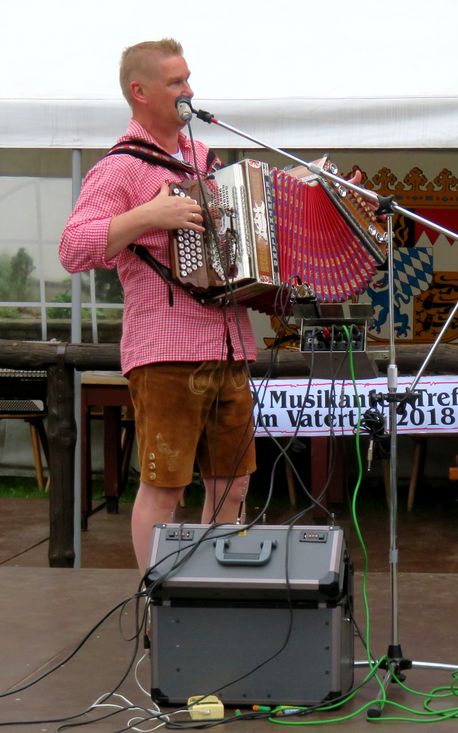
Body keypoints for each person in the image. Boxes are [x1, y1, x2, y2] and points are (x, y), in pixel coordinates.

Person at [59, 39, 257, 575]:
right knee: (165, 488)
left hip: (230, 341)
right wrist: (149, 216)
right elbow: (73, 248)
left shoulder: (207, 159)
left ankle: (216, 590)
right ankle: (158, 599)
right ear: (140, 92)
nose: (189, 90)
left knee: (233, 483)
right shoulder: (120, 168)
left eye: (188, 78)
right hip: (166, 349)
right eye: (176, 82)